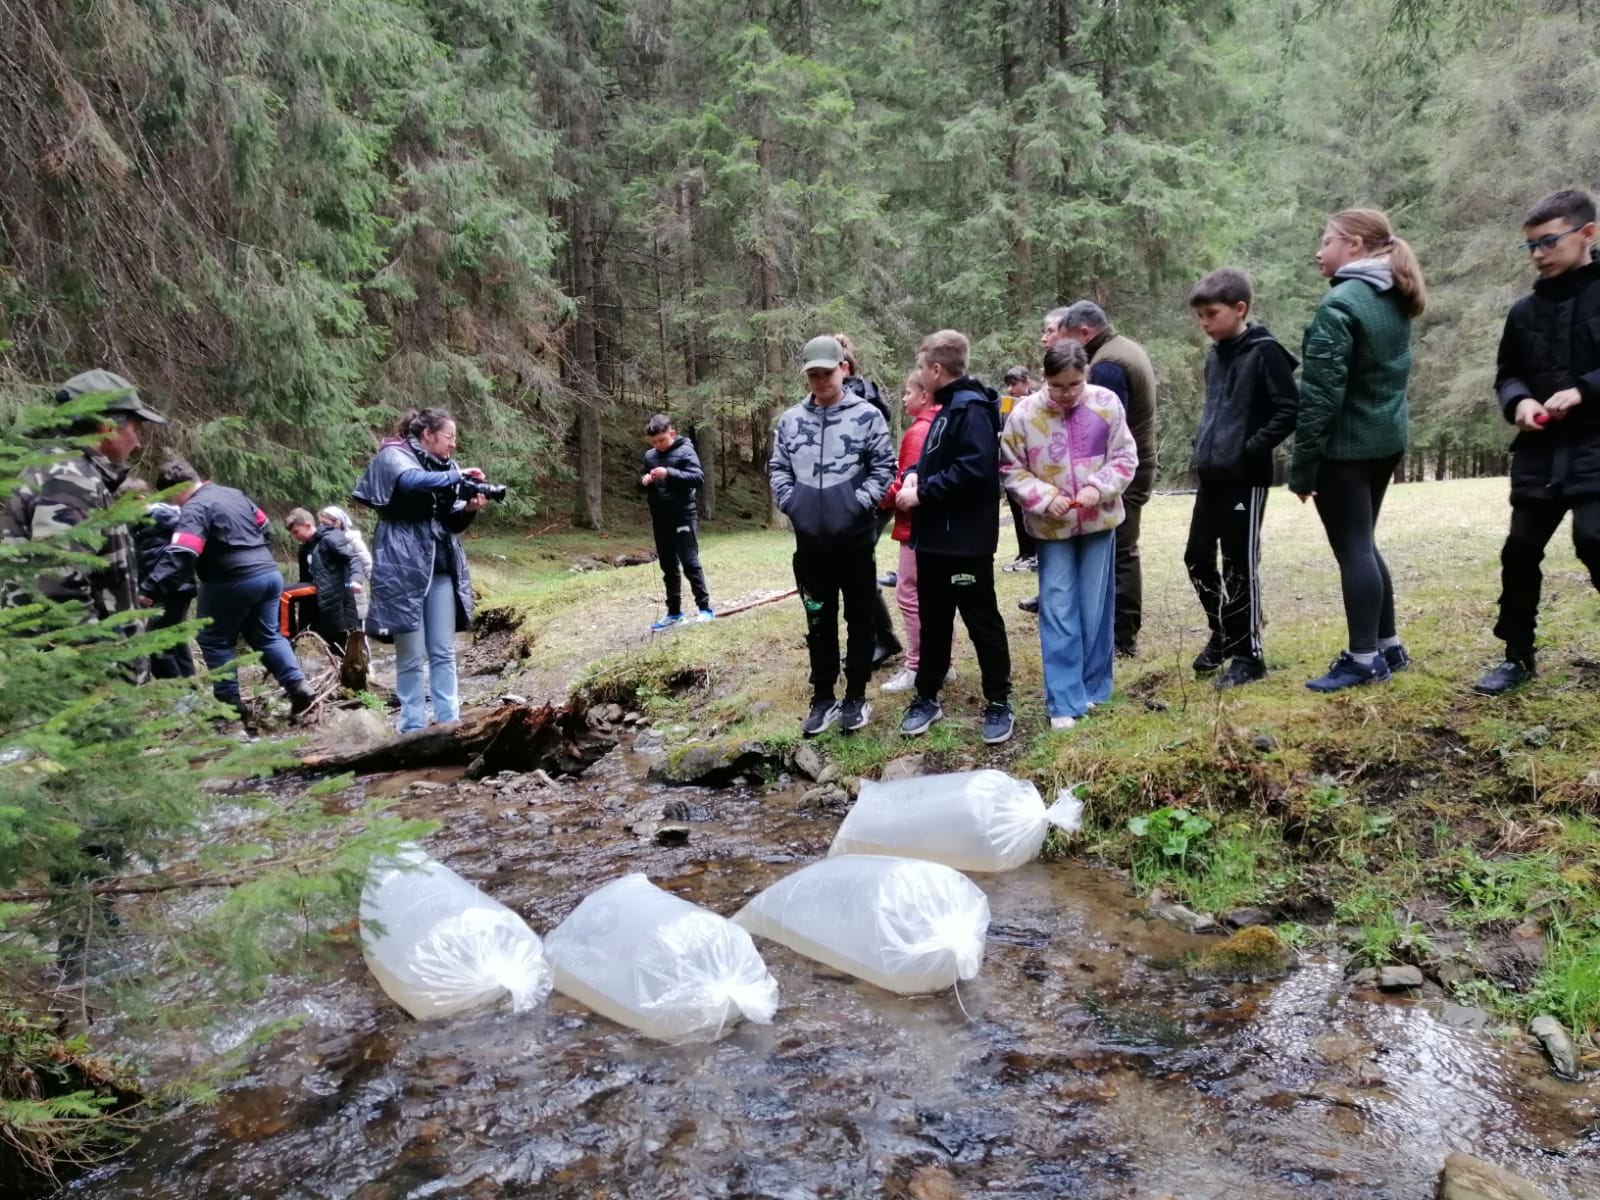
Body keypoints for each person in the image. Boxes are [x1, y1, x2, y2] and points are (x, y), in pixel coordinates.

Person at [1289, 208, 1426, 692]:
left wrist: (1303, 469)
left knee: (1353, 550)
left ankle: (1363, 658)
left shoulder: (1342, 305)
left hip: (1346, 449)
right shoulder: (1393, 295)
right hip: (1385, 439)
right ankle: (1388, 646)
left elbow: (1320, 398)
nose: (1318, 251)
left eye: (1326, 240)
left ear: (1353, 244)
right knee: (1365, 544)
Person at [1475, 190, 1600, 696]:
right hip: (1541, 451)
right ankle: (1517, 656)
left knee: (1595, 540)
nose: (1537, 254)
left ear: (1586, 234)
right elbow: (1508, 374)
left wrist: (1586, 389)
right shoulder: (1523, 312)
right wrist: (1519, 402)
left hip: (1597, 443)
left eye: (1548, 242)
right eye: (1530, 245)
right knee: (1521, 549)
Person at [1002, 340, 1137, 728]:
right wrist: (1045, 498)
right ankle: (1063, 699)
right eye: (1058, 385)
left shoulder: (1107, 404)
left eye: (1074, 384)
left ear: (1086, 376)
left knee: (1095, 607)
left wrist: (1099, 488)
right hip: (1050, 528)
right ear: (1044, 378)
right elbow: (1010, 470)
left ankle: (1093, 688)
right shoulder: (1024, 414)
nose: (1066, 393)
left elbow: (1125, 457)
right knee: (1059, 607)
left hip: (1099, 521)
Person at [769, 335, 896, 736]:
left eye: (827, 372)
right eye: (813, 374)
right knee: (818, 619)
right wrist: (793, 504)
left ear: (843, 368)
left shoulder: (867, 416)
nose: (821, 380)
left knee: (860, 619)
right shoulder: (790, 420)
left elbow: (884, 467)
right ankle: (822, 696)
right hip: (811, 544)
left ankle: (856, 696)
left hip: (855, 540)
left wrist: (858, 503)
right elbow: (778, 468)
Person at [895, 329, 1015, 744]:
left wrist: (921, 492)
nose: (918, 373)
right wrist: (915, 475)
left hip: (965, 543)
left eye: (920, 365)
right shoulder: (945, 409)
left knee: (982, 621)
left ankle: (999, 701)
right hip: (932, 543)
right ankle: (926, 696)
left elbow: (974, 470)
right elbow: (943, 462)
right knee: (933, 621)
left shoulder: (971, 409)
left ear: (935, 369)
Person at [1184, 268, 1300, 689]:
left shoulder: (1265, 352)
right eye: (1198, 315)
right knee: (1196, 556)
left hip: (1245, 479)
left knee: (1238, 565)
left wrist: (1249, 449)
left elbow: (1289, 409)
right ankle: (1224, 633)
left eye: (1210, 313)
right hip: (1211, 477)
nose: (1204, 322)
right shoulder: (1215, 356)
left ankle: (1249, 656)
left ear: (1239, 309)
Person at [139, 458, 317, 721]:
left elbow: (182, 552)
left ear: (175, 489)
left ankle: (231, 709)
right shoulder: (233, 494)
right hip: (268, 573)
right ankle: (299, 687)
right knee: (268, 636)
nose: (174, 504)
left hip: (229, 579)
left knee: (213, 639)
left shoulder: (195, 506)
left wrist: (150, 588)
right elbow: (264, 526)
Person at [352, 408, 488, 733]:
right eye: (449, 437)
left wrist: (468, 507)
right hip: (402, 567)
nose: (454, 445)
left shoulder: (446, 467)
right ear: (429, 435)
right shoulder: (393, 455)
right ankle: (411, 727)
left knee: (442, 651)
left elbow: (451, 522)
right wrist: (458, 477)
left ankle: (449, 721)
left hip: (441, 567)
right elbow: (411, 482)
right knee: (411, 656)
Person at [2, 369, 166, 627]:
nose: (138, 443)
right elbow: (61, 590)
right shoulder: (68, 478)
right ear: (108, 427)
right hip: (80, 661)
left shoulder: (66, 469)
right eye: (136, 429)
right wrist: (113, 661)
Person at [1050, 302, 1158, 655]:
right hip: (1132, 466)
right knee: (1121, 547)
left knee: (1120, 548)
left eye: (1068, 340)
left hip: (1121, 473)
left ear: (1084, 333)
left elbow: (1104, 431)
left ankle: (1121, 636)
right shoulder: (1121, 349)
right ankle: (1116, 631)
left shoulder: (1108, 365)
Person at [879, 370, 954, 694]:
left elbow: (908, 480)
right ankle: (944, 662)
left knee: (909, 595)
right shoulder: (946, 424)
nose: (904, 399)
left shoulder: (918, 432)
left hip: (916, 529)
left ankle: (917, 664)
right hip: (942, 529)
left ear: (924, 395)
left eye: (908, 393)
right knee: (939, 597)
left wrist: (881, 497)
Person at [836, 332, 904, 660]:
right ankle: (878, 637)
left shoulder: (861, 402)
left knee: (854, 566)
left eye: (827, 369)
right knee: (850, 567)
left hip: (867, 498)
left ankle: (880, 638)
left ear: (844, 367)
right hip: (844, 500)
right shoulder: (832, 400)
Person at [639, 413, 714, 630]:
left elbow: (698, 478)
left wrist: (669, 473)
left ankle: (705, 609)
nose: (659, 445)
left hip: (683, 515)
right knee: (668, 567)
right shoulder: (649, 456)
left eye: (662, 440)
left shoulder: (685, 450)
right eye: (654, 442)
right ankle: (674, 613)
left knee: (690, 563)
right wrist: (644, 481)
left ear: (672, 433)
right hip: (660, 518)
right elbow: (640, 483)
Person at [130, 461, 198, 678]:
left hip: (169, 589)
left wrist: (148, 589)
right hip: (174, 588)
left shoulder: (158, 518)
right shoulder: (151, 523)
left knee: (156, 642)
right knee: (175, 641)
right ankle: (191, 693)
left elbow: (169, 557)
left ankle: (178, 695)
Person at [286, 506, 369, 651]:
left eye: (296, 532)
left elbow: (353, 559)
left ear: (307, 526)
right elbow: (305, 581)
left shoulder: (330, 540)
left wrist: (356, 579)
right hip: (321, 610)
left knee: (348, 651)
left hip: (340, 607)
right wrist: (304, 622)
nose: (295, 536)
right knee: (330, 653)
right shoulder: (305, 549)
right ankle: (288, 642)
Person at [1000, 365, 1037, 571]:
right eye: (1008, 385)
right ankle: (1024, 552)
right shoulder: (1007, 406)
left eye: (1014, 384)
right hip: (1009, 467)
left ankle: (1035, 553)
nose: (1010, 389)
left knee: (1029, 512)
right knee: (1016, 512)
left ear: (1026, 383)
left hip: (1030, 470)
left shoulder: (1037, 403)